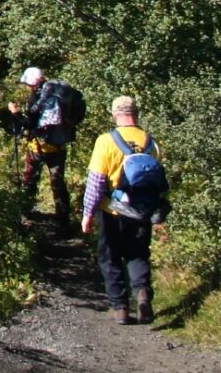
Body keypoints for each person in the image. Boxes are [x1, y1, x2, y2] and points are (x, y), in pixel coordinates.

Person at [82, 95, 167, 324]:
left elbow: (96, 182)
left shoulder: (106, 141)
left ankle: (120, 308)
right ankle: (142, 293)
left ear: (114, 114)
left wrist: (88, 214)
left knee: (109, 257)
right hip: (141, 212)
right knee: (138, 254)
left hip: (112, 212)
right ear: (135, 113)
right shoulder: (151, 142)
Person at [8, 66, 77, 234]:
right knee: (58, 184)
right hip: (59, 148)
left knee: (30, 181)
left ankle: (26, 217)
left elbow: (28, 123)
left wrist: (15, 113)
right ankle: (63, 223)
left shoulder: (38, 97)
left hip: (38, 148)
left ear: (33, 83)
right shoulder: (60, 93)